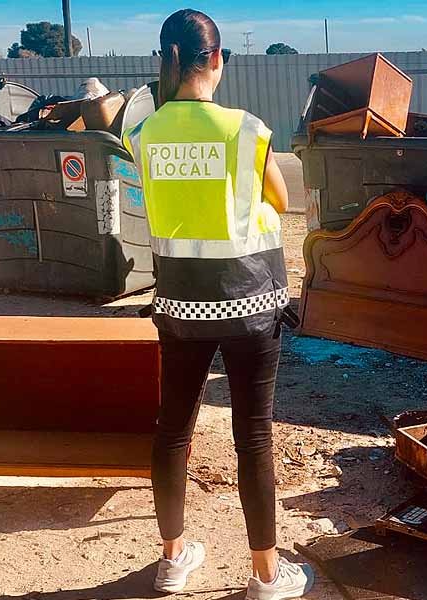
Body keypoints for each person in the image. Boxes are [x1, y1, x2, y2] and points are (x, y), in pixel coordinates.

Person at [122, 9, 314, 598]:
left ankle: (173, 560)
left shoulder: (144, 133)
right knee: (253, 434)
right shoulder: (246, 129)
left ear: (169, 59)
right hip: (251, 304)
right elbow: (280, 201)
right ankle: (264, 574)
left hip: (181, 305)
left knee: (172, 429)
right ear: (216, 59)